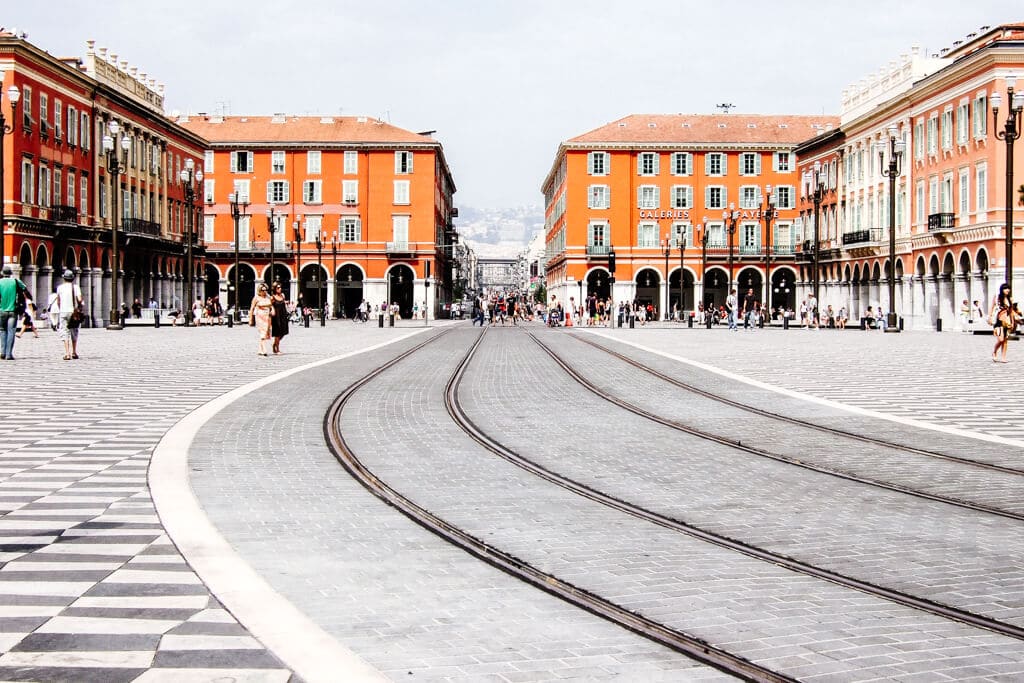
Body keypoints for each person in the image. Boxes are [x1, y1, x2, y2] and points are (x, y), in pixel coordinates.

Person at [0, 265, 32, 360]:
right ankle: (9, 354)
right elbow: (25, 290)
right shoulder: (16, 281)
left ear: (2, 273)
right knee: (11, 331)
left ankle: (2, 352)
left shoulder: (0, 282)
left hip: (2, 310)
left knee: (2, 330)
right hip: (13, 310)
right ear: (10, 273)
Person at [53, 269, 83, 361]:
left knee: (64, 331)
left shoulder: (60, 288)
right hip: (73, 312)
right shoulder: (76, 287)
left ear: (64, 278)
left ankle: (67, 353)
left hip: (63, 312)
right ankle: (74, 351)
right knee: (74, 331)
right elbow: (80, 299)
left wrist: (61, 308)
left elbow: (58, 301)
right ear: (72, 278)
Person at [990, 282, 1014, 363]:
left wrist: (1012, 322)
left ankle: (1003, 357)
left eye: (1008, 288)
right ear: (1002, 290)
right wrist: (989, 317)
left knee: (1005, 340)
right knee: (1001, 339)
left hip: (1007, 321)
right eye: (1006, 288)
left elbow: (1011, 312)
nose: (1008, 290)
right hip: (998, 321)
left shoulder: (1010, 299)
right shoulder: (997, 297)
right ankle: (994, 351)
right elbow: (992, 307)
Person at [249, 283, 274, 356]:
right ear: (259, 290)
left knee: (266, 331)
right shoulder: (256, 298)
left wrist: (272, 310)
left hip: (267, 316)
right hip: (259, 316)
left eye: (265, 290)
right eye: (263, 290)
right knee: (263, 332)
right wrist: (250, 319)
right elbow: (252, 308)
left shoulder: (268, 297)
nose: (264, 291)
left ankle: (260, 349)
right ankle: (264, 349)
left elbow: (271, 305)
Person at [269, 283, 289, 354]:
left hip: (283, 315)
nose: (280, 289)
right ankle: (277, 349)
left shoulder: (282, 296)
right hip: (276, 317)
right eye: (278, 288)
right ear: (274, 289)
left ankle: (275, 343)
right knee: (277, 332)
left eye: (280, 287)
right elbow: (270, 305)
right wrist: (272, 309)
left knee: (283, 332)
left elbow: (283, 304)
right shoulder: (272, 297)